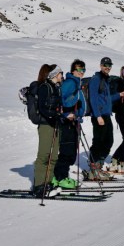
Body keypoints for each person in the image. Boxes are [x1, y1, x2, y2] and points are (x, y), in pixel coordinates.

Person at [54, 59, 88, 189]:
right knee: (67, 151)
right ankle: (59, 177)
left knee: (72, 152)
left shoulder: (76, 82)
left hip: (74, 121)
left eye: (83, 70)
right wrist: (68, 112)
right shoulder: (70, 83)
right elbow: (62, 101)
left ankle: (61, 176)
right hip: (67, 121)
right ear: (73, 70)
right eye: (79, 70)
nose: (82, 72)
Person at [32, 63, 64, 197]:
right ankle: (39, 185)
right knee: (44, 155)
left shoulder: (56, 87)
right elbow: (42, 108)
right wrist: (54, 114)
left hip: (55, 124)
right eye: (61, 73)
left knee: (54, 156)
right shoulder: (45, 87)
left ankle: (48, 182)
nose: (62, 75)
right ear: (55, 75)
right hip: (46, 125)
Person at [87, 57, 115, 180]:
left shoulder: (105, 79)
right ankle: (94, 169)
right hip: (99, 116)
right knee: (98, 142)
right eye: (105, 65)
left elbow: (107, 98)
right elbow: (93, 98)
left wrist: (120, 95)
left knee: (109, 141)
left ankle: (99, 164)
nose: (107, 67)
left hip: (106, 115)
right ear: (100, 65)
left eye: (109, 65)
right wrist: (98, 115)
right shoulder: (96, 79)